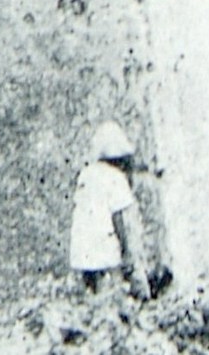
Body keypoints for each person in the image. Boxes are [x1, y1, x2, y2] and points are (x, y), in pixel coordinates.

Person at [69, 120, 151, 300]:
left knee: (92, 296)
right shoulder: (116, 178)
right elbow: (120, 219)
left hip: (83, 251)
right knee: (112, 293)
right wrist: (127, 252)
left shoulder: (86, 174)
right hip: (105, 250)